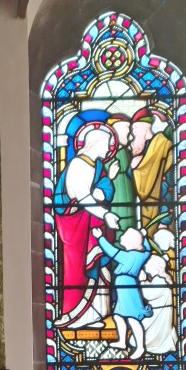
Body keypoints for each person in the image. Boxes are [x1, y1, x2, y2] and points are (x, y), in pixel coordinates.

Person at [52, 122, 121, 329]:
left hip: (90, 225)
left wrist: (108, 181)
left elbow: (100, 190)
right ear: (93, 144)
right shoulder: (78, 165)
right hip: (76, 227)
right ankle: (76, 316)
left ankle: (95, 314)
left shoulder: (96, 165)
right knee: (78, 269)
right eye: (106, 144)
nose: (109, 149)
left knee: (98, 266)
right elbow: (83, 198)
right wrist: (106, 214)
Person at [92, 226, 152, 358]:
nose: (121, 237)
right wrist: (145, 237)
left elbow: (111, 252)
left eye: (124, 235)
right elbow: (148, 250)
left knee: (133, 319)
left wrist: (100, 238)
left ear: (131, 241)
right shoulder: (141, 255)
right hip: (124, 287)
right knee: (118, 316)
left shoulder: (129, 256)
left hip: (127, 288)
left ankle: (140, 347)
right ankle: (122, 342)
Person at [129, 108, 174, 236]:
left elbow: (168, 184)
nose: (133, 133)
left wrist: (165, 220)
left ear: (146, 126)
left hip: (159, 211)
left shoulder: (164, 146)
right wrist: (132, 168)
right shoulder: (140, 149)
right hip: (143, 209)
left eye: (136, 128)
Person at [140, 254, 178, 354]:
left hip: (158, 314)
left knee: (152, 334)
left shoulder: (162, 280)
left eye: (147, 264)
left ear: (156, 267)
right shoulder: (159, 279)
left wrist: (142, 281)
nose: (145, 266)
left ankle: (157, 346)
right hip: (156, 312)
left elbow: (147, 295)